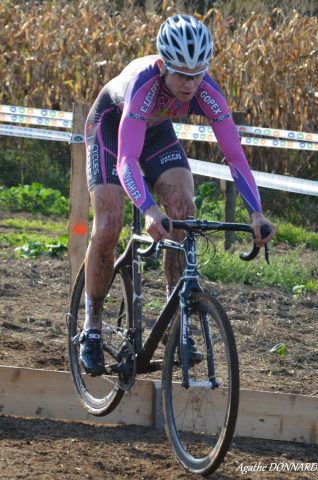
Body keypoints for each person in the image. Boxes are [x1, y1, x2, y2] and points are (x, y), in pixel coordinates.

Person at [80, 13, 275, 376]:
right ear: (162, 65)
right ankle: (91, 327)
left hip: (155, 130)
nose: (190, 84)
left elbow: (234, 156)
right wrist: (150, 209)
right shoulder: (144, 84)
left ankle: (178, 319)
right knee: (109, 224)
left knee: (184, 208)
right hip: (112, 128)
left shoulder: (207, 90)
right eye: (182, 75)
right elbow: (126, 160)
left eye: (198, 73)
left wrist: (256, 212)